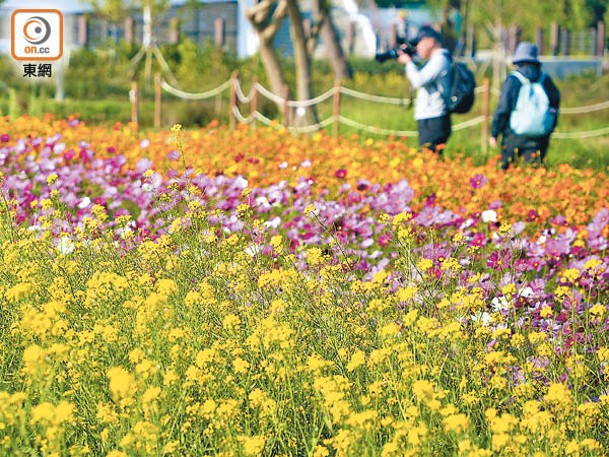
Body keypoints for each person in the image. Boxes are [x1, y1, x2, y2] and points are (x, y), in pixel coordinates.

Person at [490, 42, 560, 170]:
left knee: (506, 173)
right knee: (534, 174)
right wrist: (551, 126)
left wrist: (495, 133)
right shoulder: (545, 79)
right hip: (539, 136)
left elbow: (503, 109)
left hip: (513, 135)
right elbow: (555, 104)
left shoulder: (513, 80)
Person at [397, 25, 452, 153]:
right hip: (431, 116)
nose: (417, 47)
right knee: (431, 158)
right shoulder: (436, 59)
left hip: (434, 117)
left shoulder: (440, 60)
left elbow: (418, 80)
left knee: (430, 158)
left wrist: (408, 63)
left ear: (431, 41)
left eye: (420, 42)